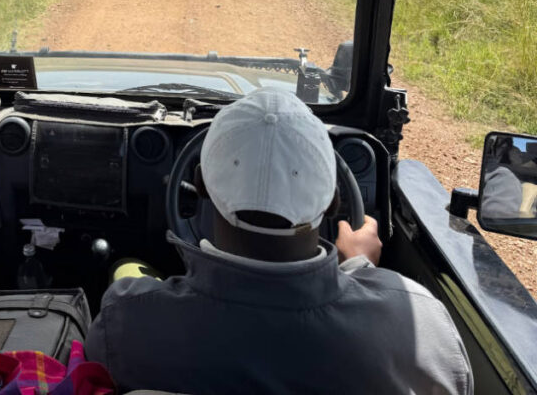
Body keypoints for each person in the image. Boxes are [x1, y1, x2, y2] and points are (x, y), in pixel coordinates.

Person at [85, 88, 473, 395]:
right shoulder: (423, 330)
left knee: (126, 267)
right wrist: (359, 268)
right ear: (333, 200)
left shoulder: (127, 323)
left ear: (199, 183)